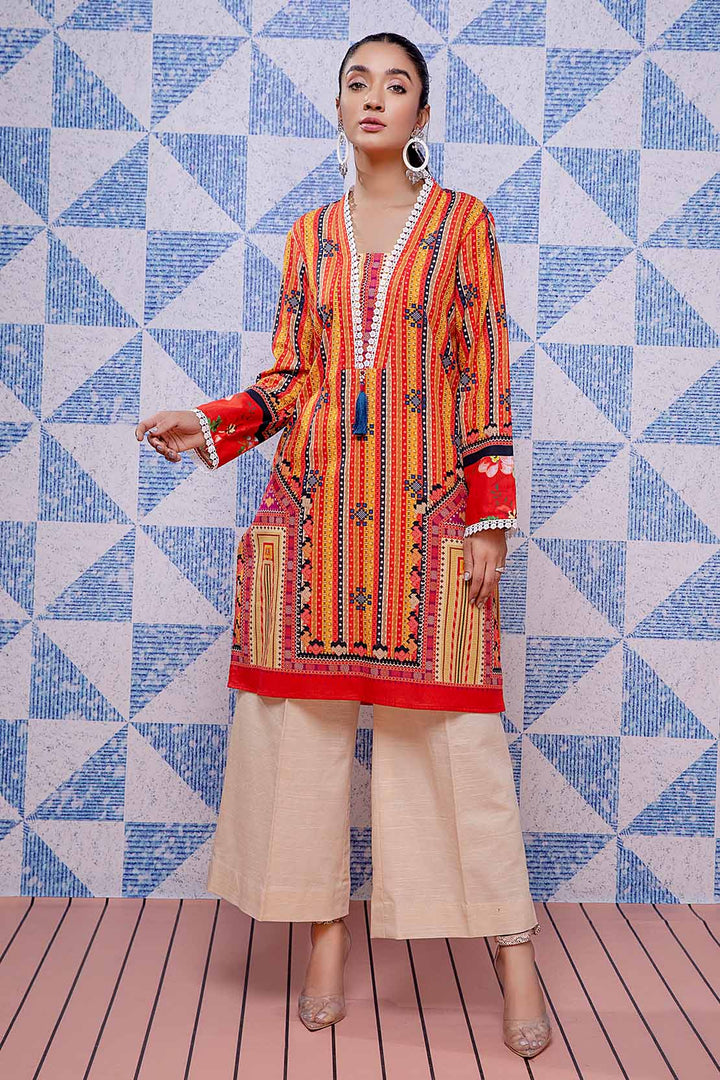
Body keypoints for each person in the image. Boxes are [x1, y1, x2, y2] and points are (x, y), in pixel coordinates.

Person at [135, 31, 551, 1059]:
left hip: (428, 516)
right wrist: (211, 421)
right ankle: (324, 936)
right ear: (337, 106)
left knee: (455, 744)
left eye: (396, 85)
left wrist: (490, 518)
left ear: (421, 114)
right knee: (302, 743)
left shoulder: (463, 224)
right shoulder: (309, 235)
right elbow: (292, 379)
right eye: (357, 83)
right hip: (313, 515)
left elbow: (483, 372)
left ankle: (514, 955)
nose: (375, 98)